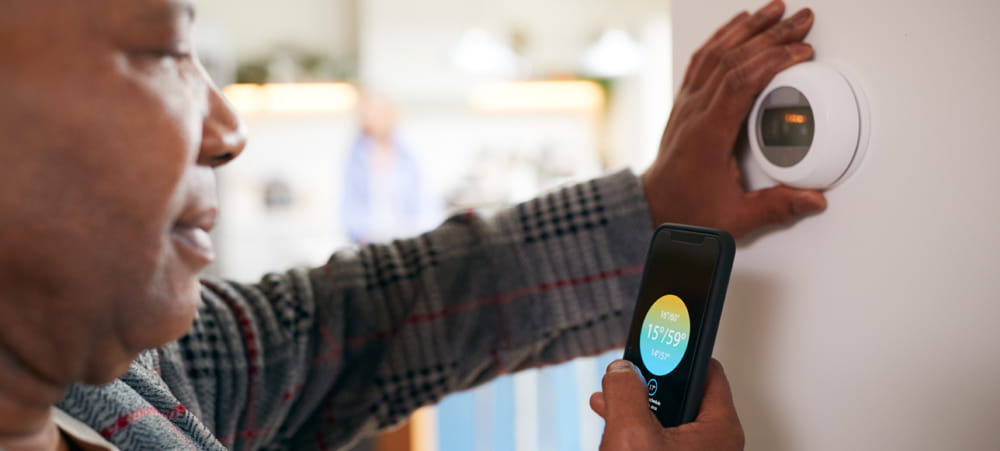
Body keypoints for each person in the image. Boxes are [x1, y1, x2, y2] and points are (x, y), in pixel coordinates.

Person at [0, 0, 821, 450]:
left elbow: (356, 322)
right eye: (164, 51)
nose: (226, 130)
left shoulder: (125, 376)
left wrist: (651, 213)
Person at [341, 93, 442, 245]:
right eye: (365, 115)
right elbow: (349, 206)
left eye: (375, 114)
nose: (369, 120)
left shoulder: (409, 153)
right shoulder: (356, 155)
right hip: (368, 242)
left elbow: (424, 203)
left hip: (408, 241)